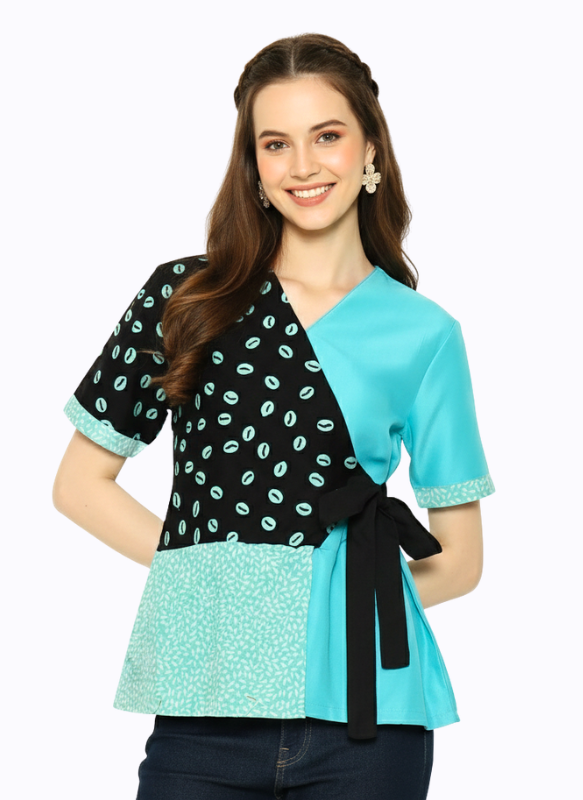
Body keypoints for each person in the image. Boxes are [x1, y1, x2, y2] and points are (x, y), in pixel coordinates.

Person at [53, 32, 494, 800]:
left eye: (327, 136)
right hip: (205, 710)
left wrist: (330, 610)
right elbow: (79, 485)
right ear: (253, 167)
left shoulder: (425, 334)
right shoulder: (184, 298)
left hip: (370, 722)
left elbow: (460, 559)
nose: (303, 165)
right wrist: (219, 586)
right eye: (276, 144)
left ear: (370, 150)